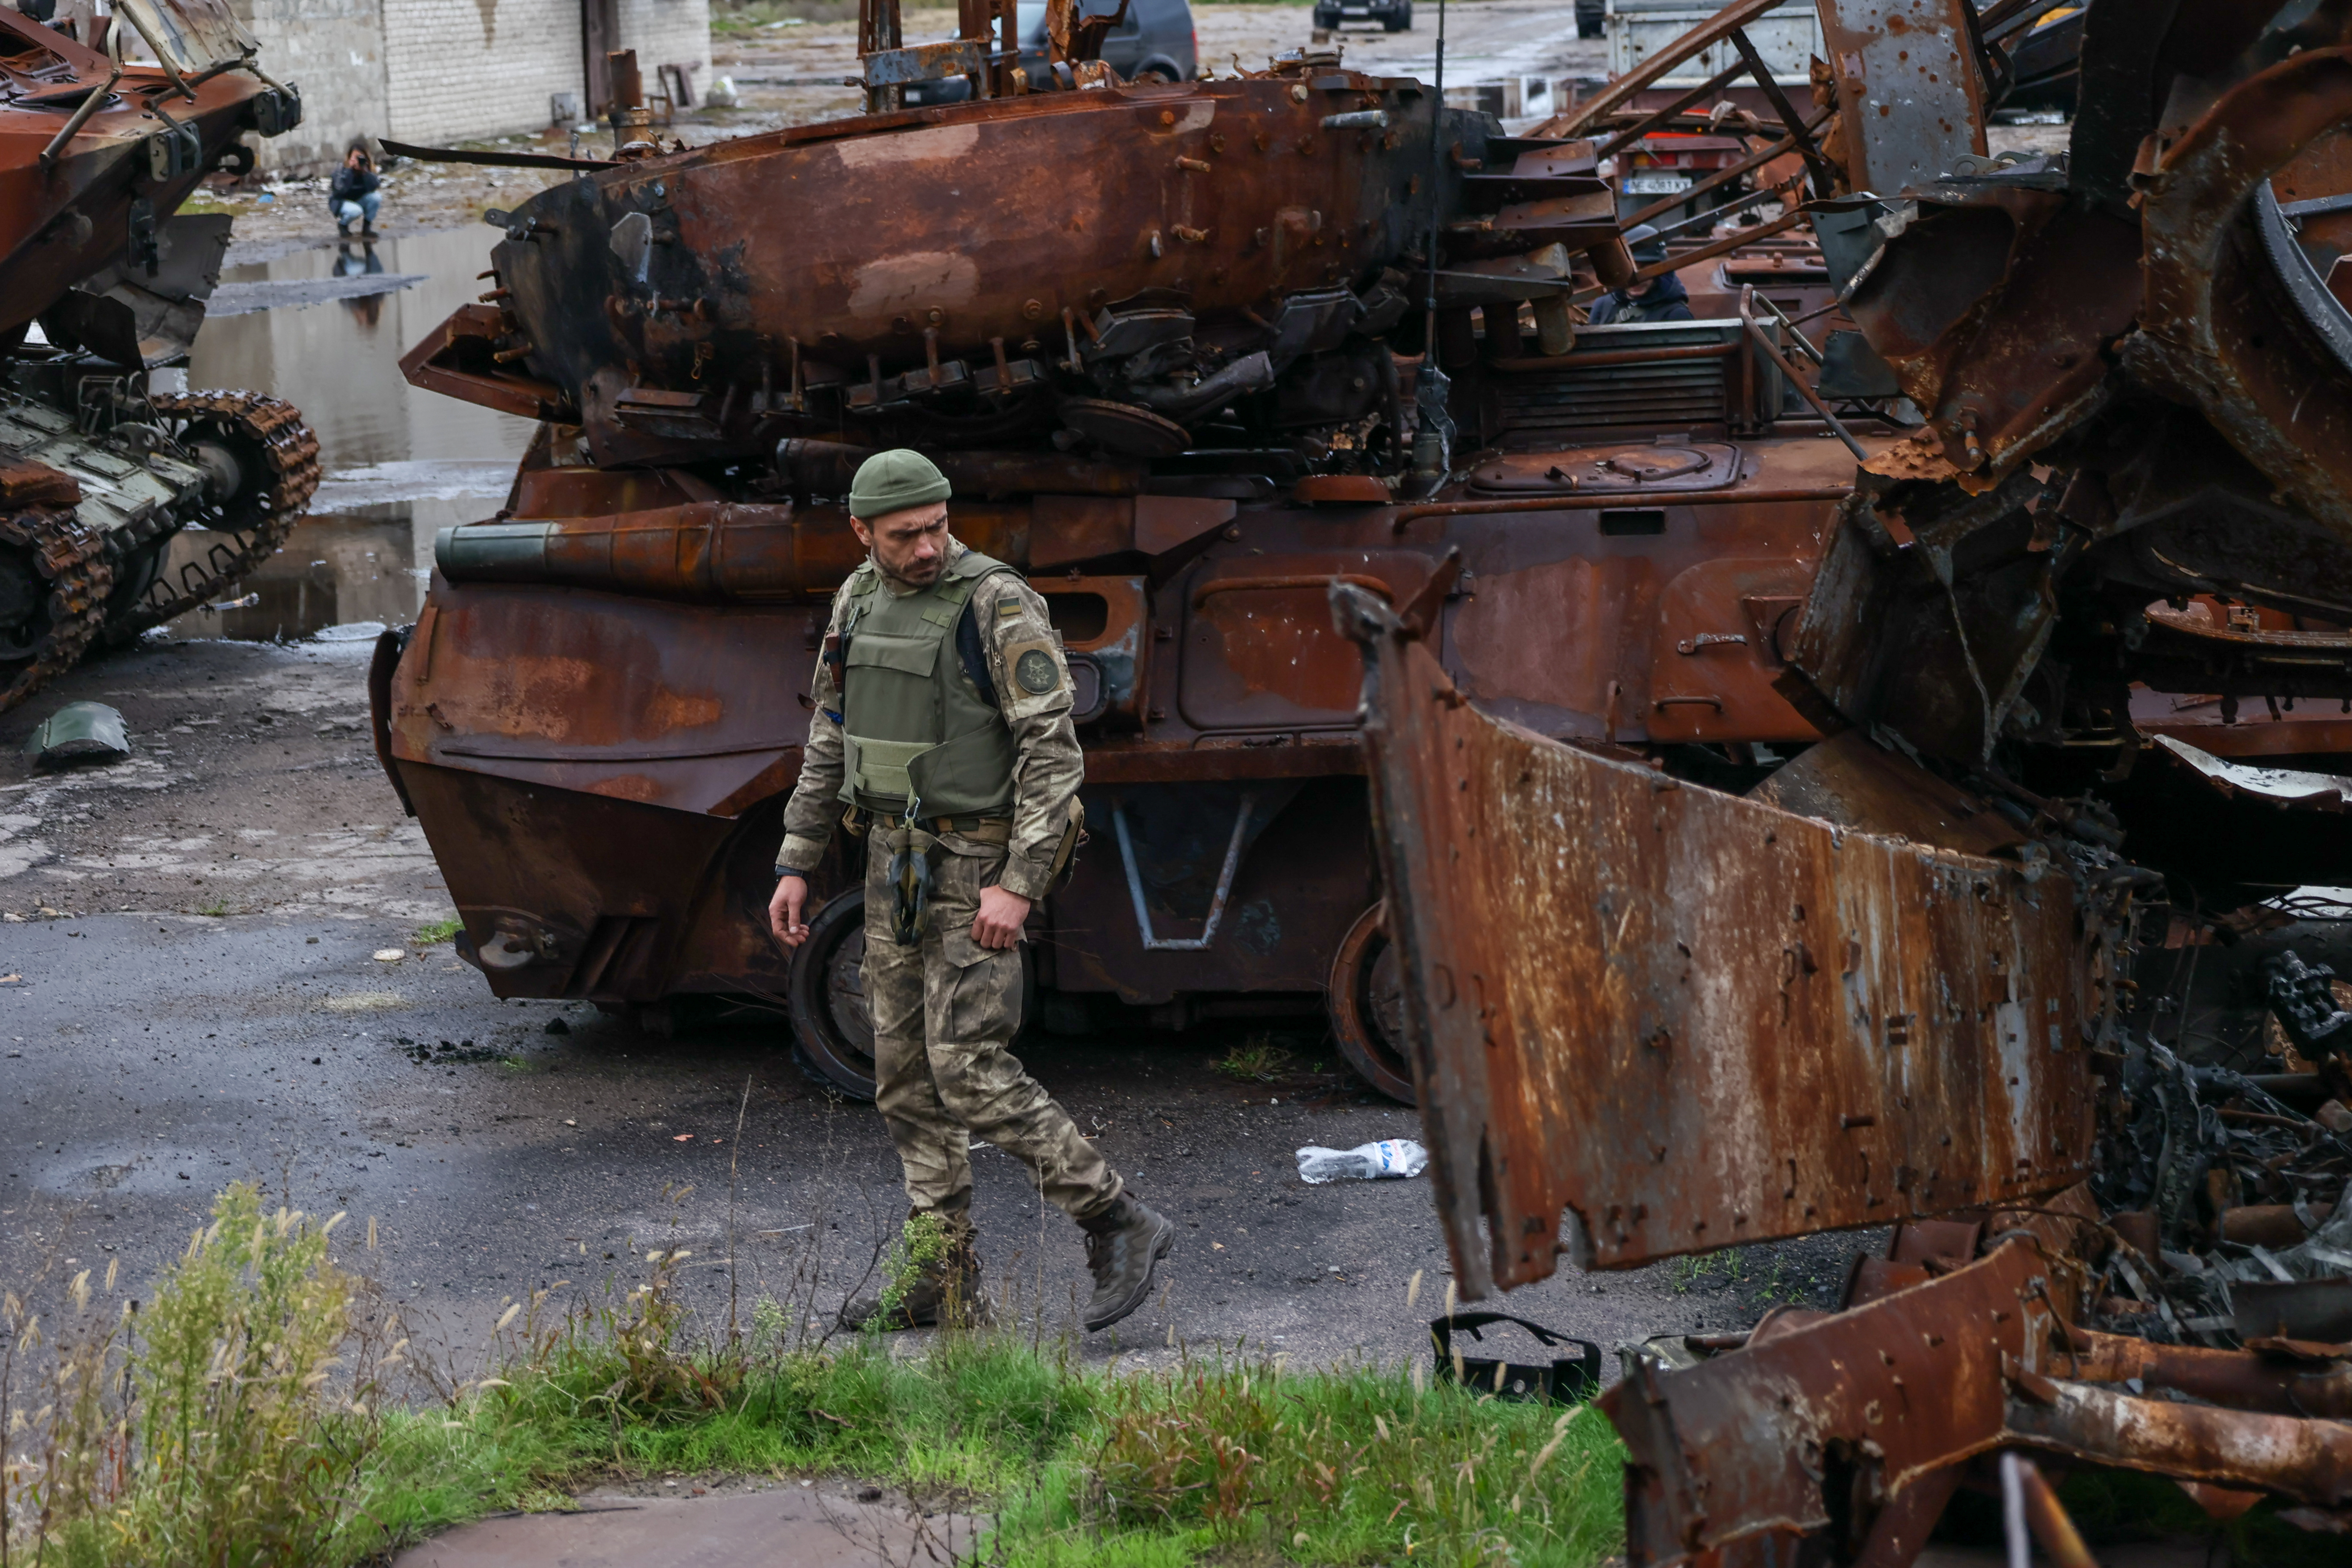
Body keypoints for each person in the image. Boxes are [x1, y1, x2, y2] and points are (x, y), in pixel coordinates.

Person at [769, 450, 1174, 1333]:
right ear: (863, 533)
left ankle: (1117, 1218)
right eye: (906, 534)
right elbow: (828, 735)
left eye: (937, 527)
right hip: (892, 864)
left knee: (971, 1072)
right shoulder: (857, 601)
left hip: (974, 870)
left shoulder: (996, 601)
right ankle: (937, 1282)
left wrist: (1020, 884)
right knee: (904, 1077)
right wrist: (797, 858)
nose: (926, 547)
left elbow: (1053, 753)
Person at [1588, 224, 1694, 325]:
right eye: (1629, 269)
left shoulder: (1676, 314)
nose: (1636, 279)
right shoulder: (1604, 305)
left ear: (1660, 269)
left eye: (1644, 268)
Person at [330, 146, 380, 239]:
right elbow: (340, 191)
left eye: (360, 157)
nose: (357, 160)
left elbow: (375, 186)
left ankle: (367, 228)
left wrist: (365, 172)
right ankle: (343, 225)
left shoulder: (367, 169)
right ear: (349, 158)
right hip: (342, 202)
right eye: (355, 157)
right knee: (356, 211)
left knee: (377, 197)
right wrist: (350, 171)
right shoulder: (341, 170)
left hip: (359, 200)